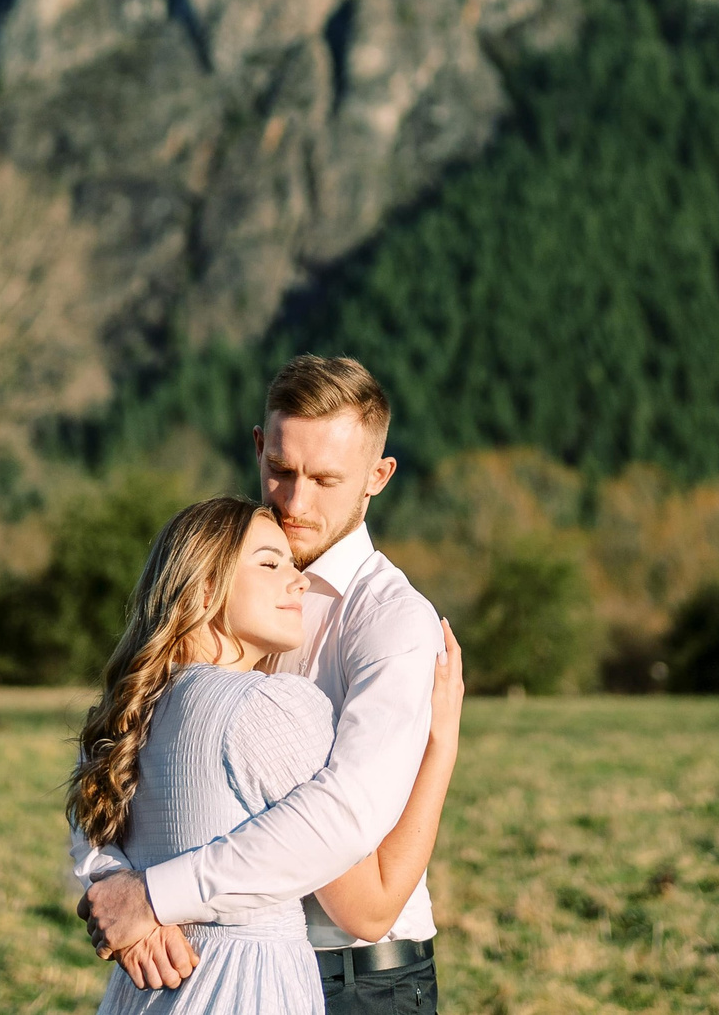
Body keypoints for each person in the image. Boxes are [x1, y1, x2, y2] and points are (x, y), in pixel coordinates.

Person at [79, 356, 453, 1013]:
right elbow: (111, 757)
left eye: (325, 479)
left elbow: (344, 823)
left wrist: (155, 894)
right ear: (259, 445)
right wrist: (114, 885)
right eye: (280, 470)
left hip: (357, 976)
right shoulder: (226, 582)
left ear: (378, 476)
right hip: (203, 960)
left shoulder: (392, 622)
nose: (296, 501)